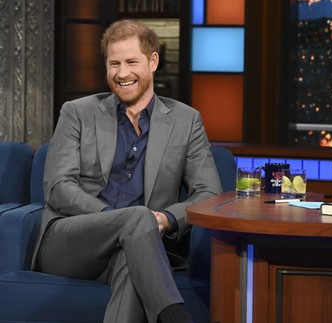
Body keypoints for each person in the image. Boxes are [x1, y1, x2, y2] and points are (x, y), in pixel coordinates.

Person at [32, 19, 222, 322]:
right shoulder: (78, 113)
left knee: (131, 262)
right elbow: (57, 185)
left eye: (131, 62)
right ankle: (176, 316)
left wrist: (168, 219)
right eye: (113, 64)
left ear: (153, 61)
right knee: (136, 218)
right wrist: (117, 219)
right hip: (72, 240)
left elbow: (209, 192)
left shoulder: (186, 121)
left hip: (144, 244)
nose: (122, 73)